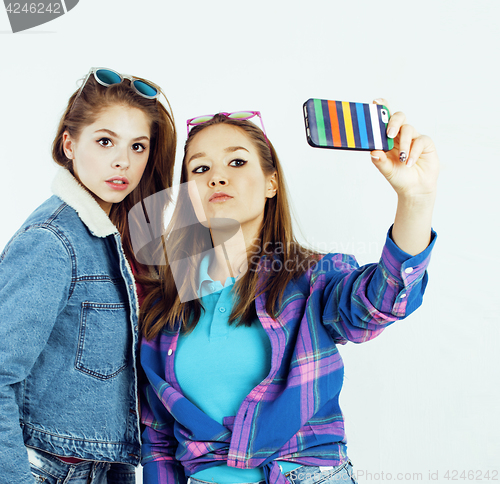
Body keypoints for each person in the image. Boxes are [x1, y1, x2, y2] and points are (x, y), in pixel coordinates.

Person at [138, 103, 439, 484]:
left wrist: (416, 199)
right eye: (200, 169)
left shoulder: (311, 277)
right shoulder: (164, 305)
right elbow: (159, 440)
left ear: (271, 183)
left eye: (236, 163)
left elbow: (379, 304)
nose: (216, 178)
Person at [0, 67, 176, 484]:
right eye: (104, 141)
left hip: (106, 468)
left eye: (138, 146)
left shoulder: (122, 239)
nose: (123, 161)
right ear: (69, 144)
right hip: (48, 470)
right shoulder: (53, 241)